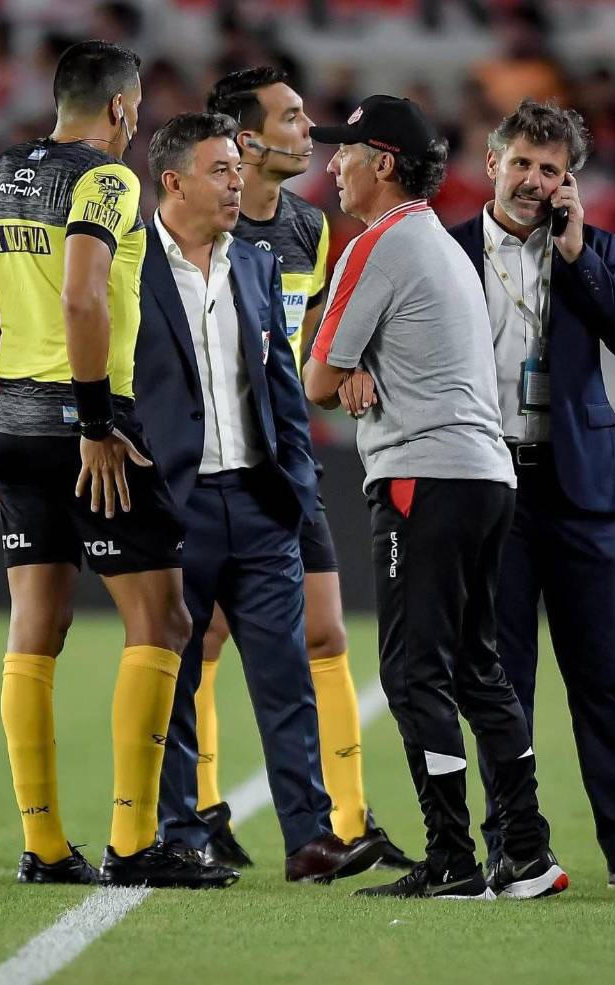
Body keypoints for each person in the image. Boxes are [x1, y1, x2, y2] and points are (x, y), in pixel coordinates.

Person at [0, 41, 236, 890]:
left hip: (13, 423)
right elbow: (83, 294)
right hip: (91, 422)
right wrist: (93, 422)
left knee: (36, 628)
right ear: (123, 110)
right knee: (162, 624)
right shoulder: (108, 180)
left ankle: (44, 847)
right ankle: (133, 841)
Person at [303, 95, 567, 901]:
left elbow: (315, 378)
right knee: (480, 667)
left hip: (426, 475)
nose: (333, 165)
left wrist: (344, 368)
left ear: (383, 162)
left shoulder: (377, 245)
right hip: (487, 476)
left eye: (345, 151)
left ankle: (451, 858)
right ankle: (525, 852)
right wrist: (356, 365)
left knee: (417, 670)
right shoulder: (443, 245)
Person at [134, 112, 385, 885]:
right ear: (172, 181)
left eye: (237, 172)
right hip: (174, 506)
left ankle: (310, 837)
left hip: (261, 498)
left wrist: (297, 486)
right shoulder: (123, 266)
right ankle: (180, 833)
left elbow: (281, 387)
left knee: (284, 676)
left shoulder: (253, 264)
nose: (236, 185)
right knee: (174, 680)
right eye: (220, 172)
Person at [189, 65, 413, 870]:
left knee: (324, 632)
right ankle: (205, 809)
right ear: (244, 139)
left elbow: (309, 340)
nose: (308, 130)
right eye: (290, 117)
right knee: (203, 635)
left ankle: (347, 819)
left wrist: (343, 366)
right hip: (211, 458)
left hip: (284, 459)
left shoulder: (310, 230)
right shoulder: (196, 232)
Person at [447, 98, 615, 890]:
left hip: (579, 491)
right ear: (491, 163)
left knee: (600, 679)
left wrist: (577, 256)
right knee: (504, 684)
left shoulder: (594, 247)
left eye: (551, 169)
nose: (535, 180)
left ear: (568, 180)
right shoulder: (448, 251)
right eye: (523, 164)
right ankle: (511, 842)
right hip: (487, 488)